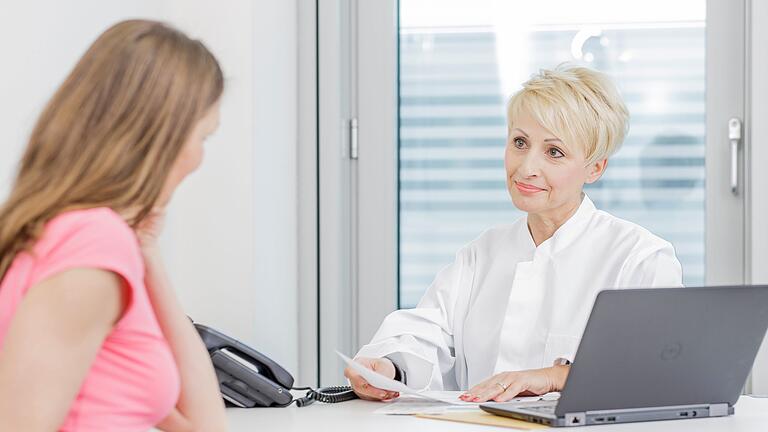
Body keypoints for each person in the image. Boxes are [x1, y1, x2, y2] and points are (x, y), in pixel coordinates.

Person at [344, 64, 683, 403]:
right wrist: (387, 369)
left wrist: (554, 377)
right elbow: (427, 333)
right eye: (520, 142)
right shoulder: (482, 254)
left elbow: (662, 368)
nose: (526, 167)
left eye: (554, 152)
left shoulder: (639, 258)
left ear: (595, 167)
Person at [0, 20, 228, 431]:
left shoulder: (89, 240)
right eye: (203, 138)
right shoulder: (91, 243)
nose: (199, 159)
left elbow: (204, 425)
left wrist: (147, 252)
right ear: (163, 137)